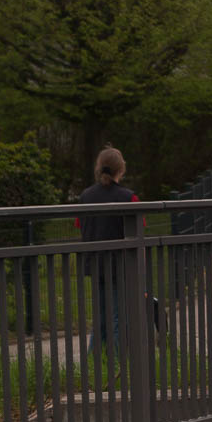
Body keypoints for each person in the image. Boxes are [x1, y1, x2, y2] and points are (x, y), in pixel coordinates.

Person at [78, 146, 140, 353]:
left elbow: (80, 225)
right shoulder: (128, 197)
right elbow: (139, 228)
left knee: (100, 317)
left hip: (94, 264)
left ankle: (94, 359)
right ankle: (119, 360)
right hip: (120, 264)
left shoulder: (85, 196)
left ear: (99, 167)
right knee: (118, 316)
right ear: (121, 169)